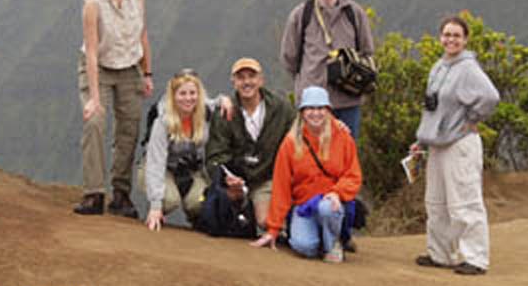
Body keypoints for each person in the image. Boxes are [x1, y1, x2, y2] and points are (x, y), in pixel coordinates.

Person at [410, 16, 500, 275]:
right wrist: (421, 140)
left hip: (460, 144)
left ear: (465, 39)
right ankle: (440, 254)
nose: (450, 39)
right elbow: (432, 108)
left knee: (465, 201)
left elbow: (491, 97)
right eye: (447, 35)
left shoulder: (468, 68)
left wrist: (471, 120)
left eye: (456, 35)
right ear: (440, 37)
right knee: (436, 201)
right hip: (437, 144)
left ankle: (476, 258)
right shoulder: (438, 66)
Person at [74, 0, 153, 217]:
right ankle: (94, 193)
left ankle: (121, 194)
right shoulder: (92, 3)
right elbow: (92, 51)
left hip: (130, 65)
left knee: (130, 127)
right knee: (95, 121)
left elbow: (142, 33)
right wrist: (94, 98)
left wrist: (147, 72)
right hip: (100, 67)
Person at [252, 86, 362, 264]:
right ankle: (317, 239)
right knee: (304, 247)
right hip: (305, 206)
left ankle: (332, 245)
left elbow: (353, 175)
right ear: (302, 112)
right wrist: (273, 229)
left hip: (331, 203)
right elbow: (282, 186)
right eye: (310, 108)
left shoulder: (342, 137)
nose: (315, 113)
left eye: (320, 108)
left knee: (327, 209)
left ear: (328, 111)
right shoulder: (290, 143)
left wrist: (337, 193)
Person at [280, 0, 374, 141]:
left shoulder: (354, 13)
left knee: (345, 157)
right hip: (312, 104)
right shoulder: (301, 15)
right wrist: (307, 81)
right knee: (312, 159)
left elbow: (367, 51)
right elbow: (289, 57)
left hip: (348, 100)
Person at [205, 57, 295, 231]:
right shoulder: (224, 113)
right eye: (241, 78)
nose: (247, 82)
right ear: (234, 82)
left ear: (261, 80)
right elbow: (215, 155)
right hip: (236, 182)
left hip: (267, 179)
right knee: (216, 217)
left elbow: (301, 135)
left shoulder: (281, 109)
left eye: (251, 76)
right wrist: (227, 177)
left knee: (267, 222)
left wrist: (336, 126)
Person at [138, 71, 233, 231]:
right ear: (173, 96)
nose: (188, 98)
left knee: (201, 203)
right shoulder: (163, 122)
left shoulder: (203, 112)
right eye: (182, 93)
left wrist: (224, 100)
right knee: (168, 200)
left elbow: (213, 102)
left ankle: (196, 215)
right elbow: (156, 162)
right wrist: (155, 204)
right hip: (162, 168)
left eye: (192, 93)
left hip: (189, 170)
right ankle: (159, 206)